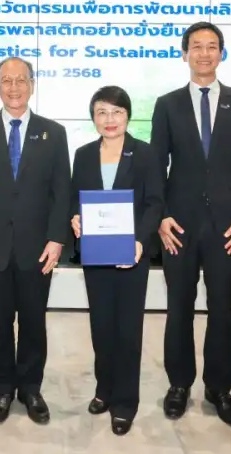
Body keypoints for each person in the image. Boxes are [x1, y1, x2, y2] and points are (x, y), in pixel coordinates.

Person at [150, 21, 231, 428]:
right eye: (196, 46)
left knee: (222, 308)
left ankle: (219, 388)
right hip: (178, 225)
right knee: (179, 306)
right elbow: (155, 164)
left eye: (212, 46)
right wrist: (161, 215)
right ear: (184, 54)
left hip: (228, 226)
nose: (204, 53)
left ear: (221, 53)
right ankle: (179, 384)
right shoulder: (167, 104)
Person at [0, 57, 70, 425]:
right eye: (7, 81)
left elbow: (61, 192)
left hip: (38, 249)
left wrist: (56, 239)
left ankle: (31, 388)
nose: (14, 87)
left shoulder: (54, 133)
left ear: (32, 85)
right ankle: (4, 388)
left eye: (21, 80)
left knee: (34, 322)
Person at [69, 86, 163, 436]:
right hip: (96, 256)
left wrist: (140, 241)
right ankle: (104, 389)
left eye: (117, 112)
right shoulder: (83, 155)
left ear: (128, 115)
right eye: (102, 112)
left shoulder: (145, 154)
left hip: (131, 255)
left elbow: (155, 202)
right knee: (101, 326)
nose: (110, 119)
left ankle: (125, 402)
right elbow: (74, 198)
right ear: (93, 118)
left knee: (127, 330)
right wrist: (74, 218)